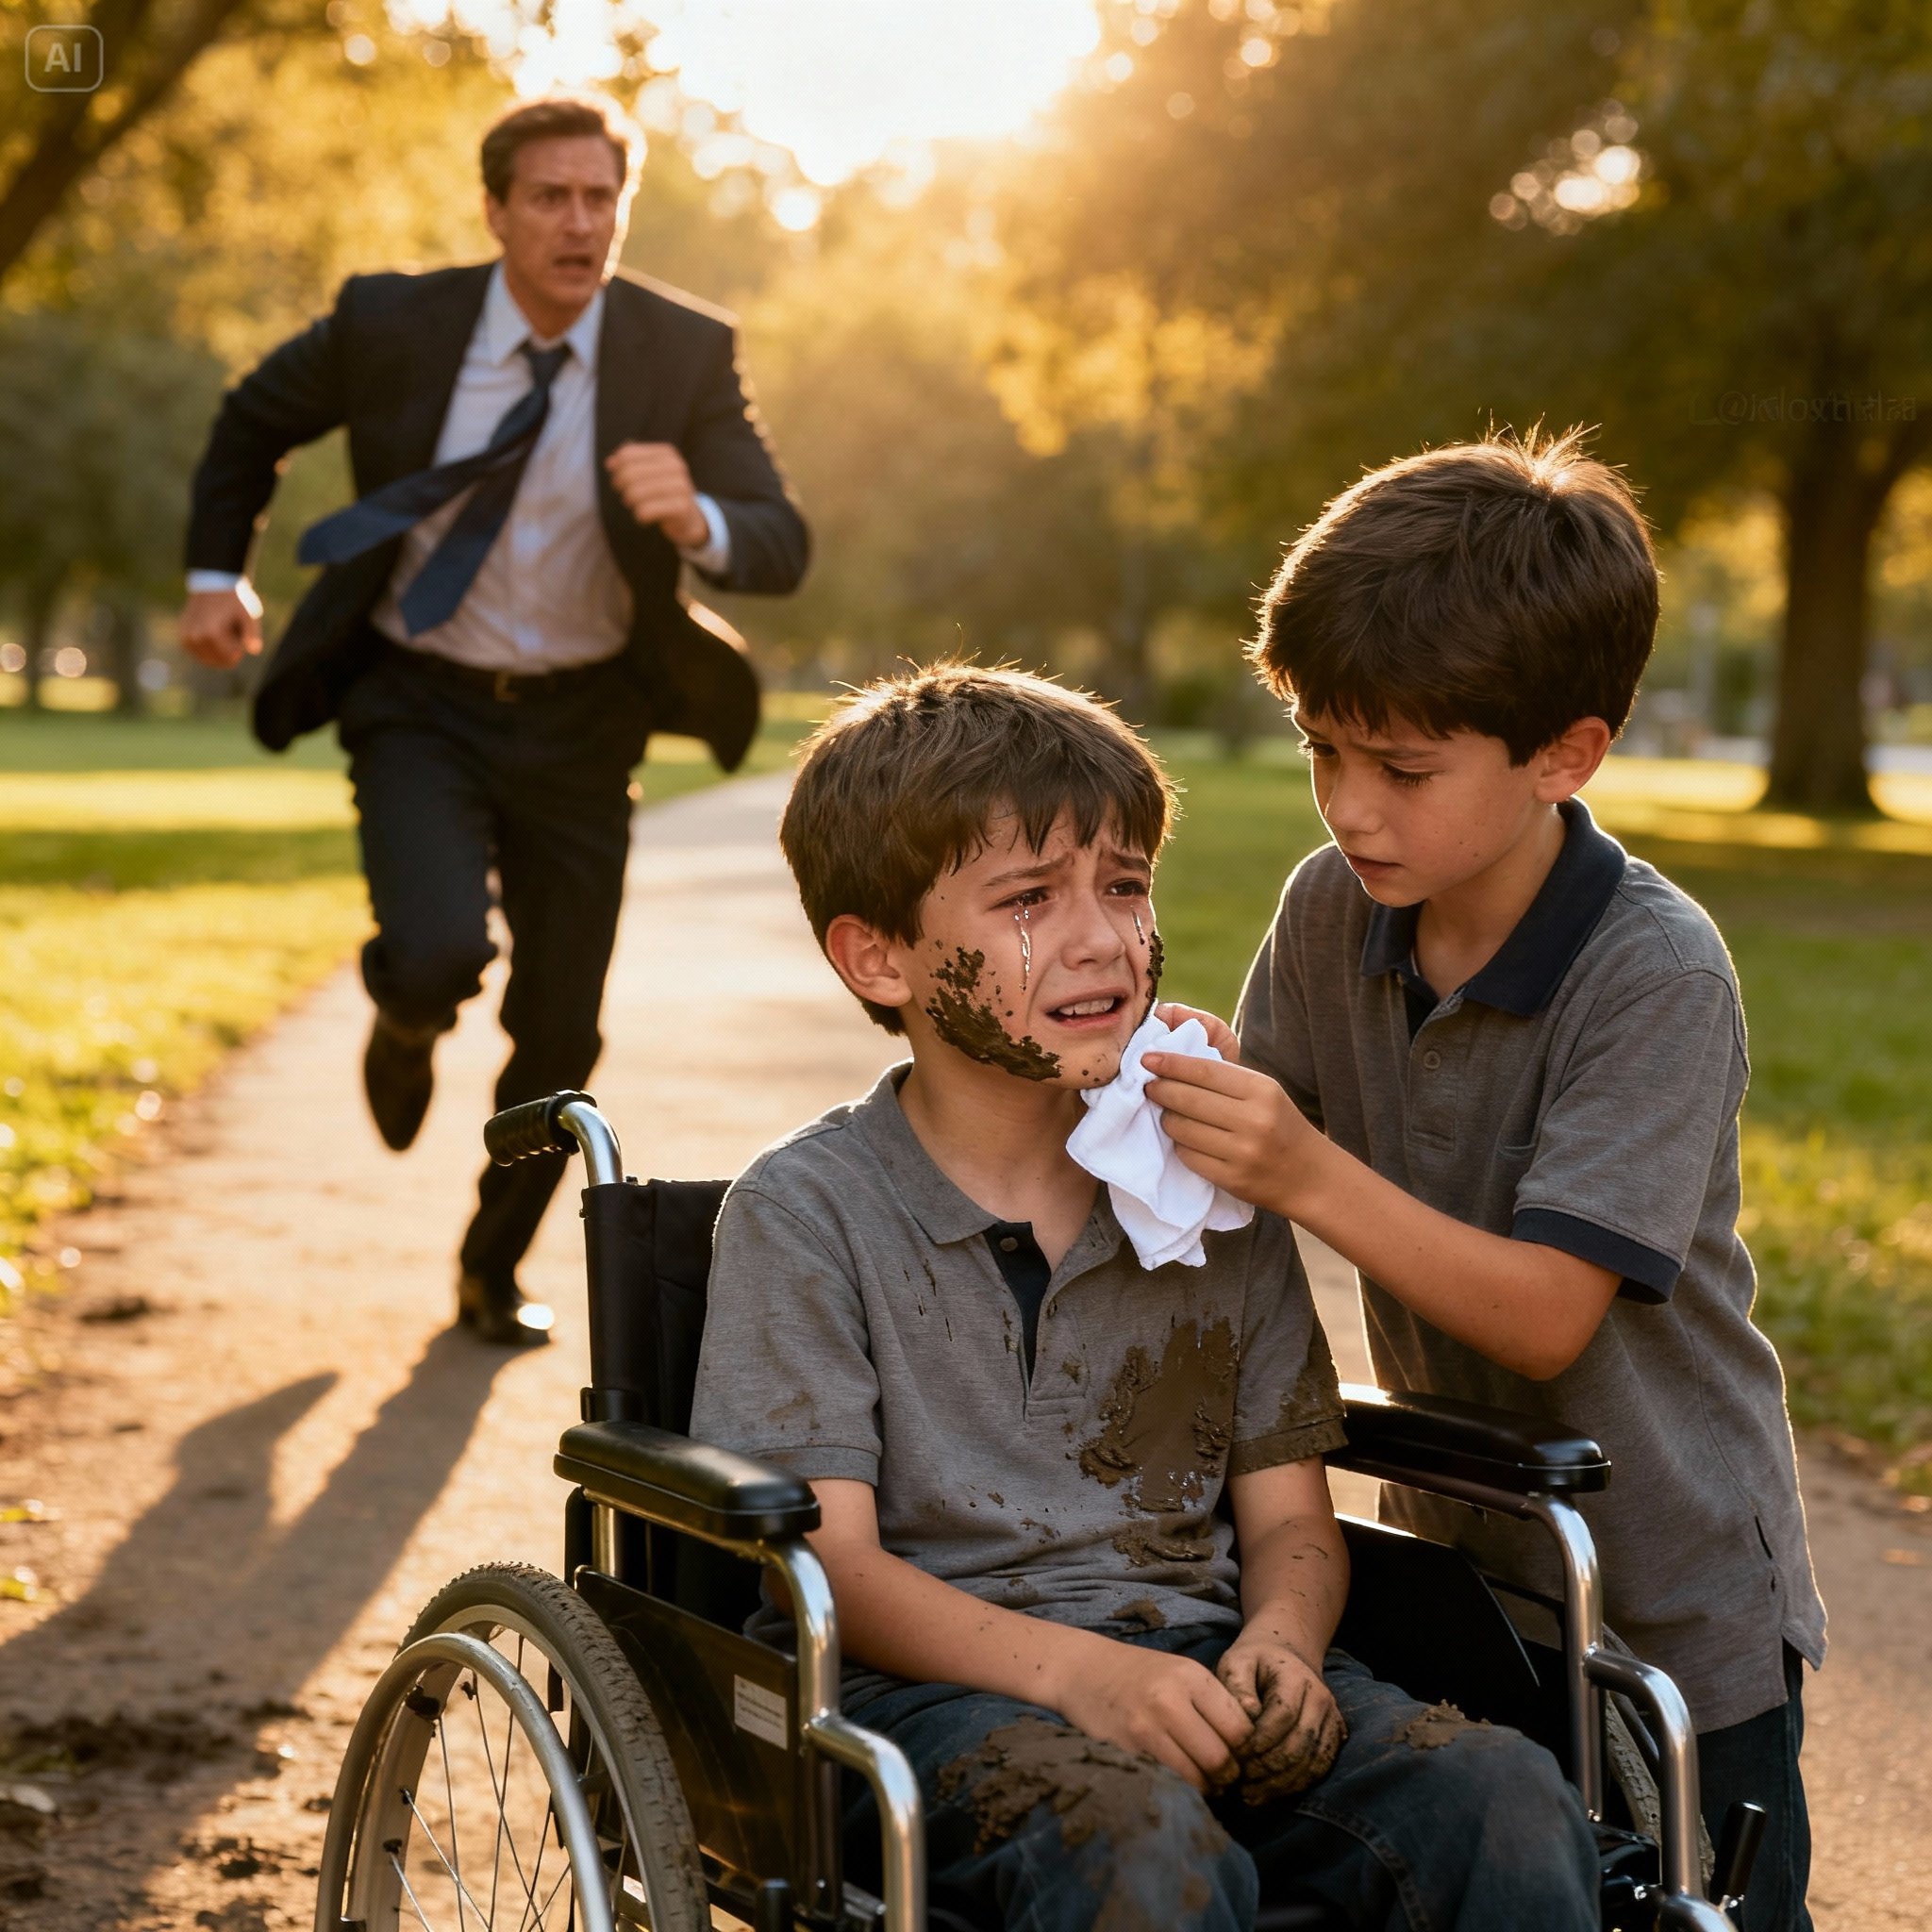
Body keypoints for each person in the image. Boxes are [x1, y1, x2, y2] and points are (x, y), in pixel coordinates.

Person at [691, 665, 1600, 1932]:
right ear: (878, 955)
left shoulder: (1205, 1186)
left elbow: (1291, 1523)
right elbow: (831, 1567)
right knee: (1137, 1843)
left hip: (1210, 1668)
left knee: (1501, 1797)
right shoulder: (807, 1216)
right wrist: (1085, 1679)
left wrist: (1283, 1643)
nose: (1103, 937)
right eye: (1028, 899)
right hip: (929, 1705)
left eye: (1124, 885)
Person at [1144, 432, 1824, 1932]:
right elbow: (1275, 1131)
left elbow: (1545, 1315)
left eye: (1401, 768)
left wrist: (1301, 1159)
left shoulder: (1653, 971)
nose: (1350, 807)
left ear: (1563, 756)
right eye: (1323, 750)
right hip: (1471, 1553)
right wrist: (1206, 1077)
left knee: (1710, 1909)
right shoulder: (1337, 907)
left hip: (1668, 1584)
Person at [178, 94, 808, 1344]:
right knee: (435, 952)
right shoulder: (395, 323)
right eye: (551, 198)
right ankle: (404, 1016)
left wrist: (699, 522)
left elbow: (779, 540)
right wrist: (214, 572)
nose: (580, 224)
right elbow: (254, 418)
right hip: (419, 697)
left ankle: (487, 1264)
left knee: (562, 1034)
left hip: (584, 726)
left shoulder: (679, 353)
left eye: (601, 200)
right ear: (498, 211)